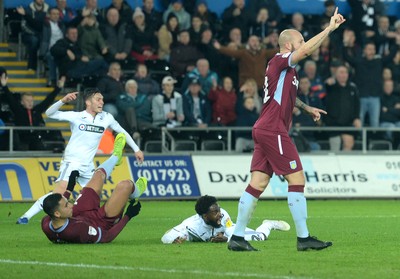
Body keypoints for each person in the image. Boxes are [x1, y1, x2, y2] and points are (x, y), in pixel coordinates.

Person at [227, 7, 346, 252]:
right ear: (289, 45)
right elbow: (306, 50)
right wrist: (329, 29)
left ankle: (237, 237)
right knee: (297, 179)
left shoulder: (287, 71)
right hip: (273, 130)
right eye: (300, 40)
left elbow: (288, 98)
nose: (304, 44)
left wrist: (306, 107)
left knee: (258, 183)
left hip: (265, 128)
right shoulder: (280, 60)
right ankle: (304, 239)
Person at [17, 88, 144, 224]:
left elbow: (122, 131)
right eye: (98, 99)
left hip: (88, 165)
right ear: (88, 102)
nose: (102, 102)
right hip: (72, 162)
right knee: (58, 194)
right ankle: (26, 216)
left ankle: (89, 220)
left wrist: (137, 149)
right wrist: (62, 101)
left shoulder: (106, 117)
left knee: (93, 197)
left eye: (102, 99)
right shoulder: (76, 116)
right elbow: (49, 113)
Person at [41, 133, 147, 244]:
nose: (71, 204)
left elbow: (57, 205)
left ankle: (116, 156)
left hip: (78, 213)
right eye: (67, 205)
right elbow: (107, 237)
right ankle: (136, 192)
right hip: (100, 222)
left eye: (68, 202)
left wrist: (69, 188)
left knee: (98, 174)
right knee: (125, 185)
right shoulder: (77, 230)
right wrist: (128, 215)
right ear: (57, 214)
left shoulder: (47, 221)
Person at [161, 195, 290, 244]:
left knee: (260, 237)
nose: (220, 214)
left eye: (219, 209)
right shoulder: (191, 225)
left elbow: (231, 232)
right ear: (205, 216)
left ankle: (268, 225)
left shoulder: (223, 216)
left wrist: (226, 239)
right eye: (215, 212)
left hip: (230, 229)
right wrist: (173, 240)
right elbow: (166, 236)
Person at [0, 74, 65, 151]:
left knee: (43, 145)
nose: (30, 103)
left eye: (31, 101)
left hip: (35, 139)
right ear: (22, 102)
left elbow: (48, 101)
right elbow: (10, 98)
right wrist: (4, 86)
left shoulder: (36, 110)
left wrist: (58, 88)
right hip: (22, 140)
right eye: (27, 101)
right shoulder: (18, 110)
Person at [325, 65, 361, 151]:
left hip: (348, 122)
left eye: (345, 72)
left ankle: (345, 164)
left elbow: (357, 104)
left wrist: (357, 118)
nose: (343, 75)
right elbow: (326, 85)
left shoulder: (352, 88)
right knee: (335, 146)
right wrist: (328, 82)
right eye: (341, 72)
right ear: (336, 75)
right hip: (333, 123)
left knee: (349, 144)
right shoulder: (331, 87)